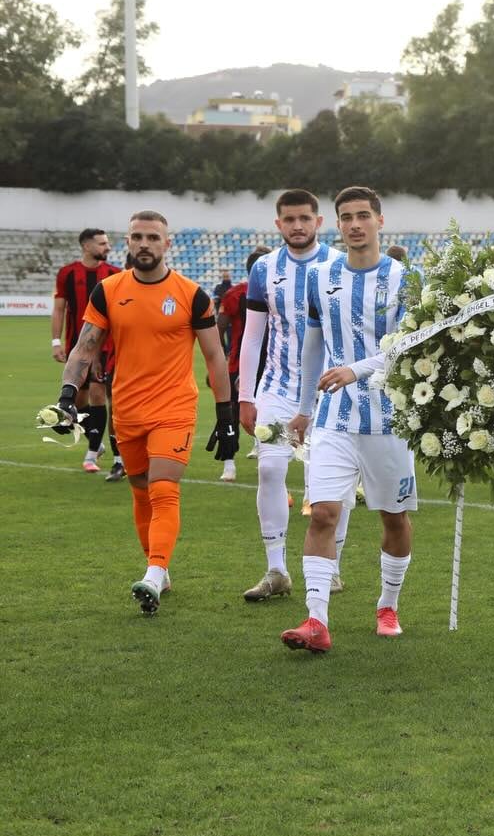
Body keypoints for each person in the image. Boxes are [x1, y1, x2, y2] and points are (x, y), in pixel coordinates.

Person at [48, 210, 236, 614]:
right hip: (127, 408)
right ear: (128, 243)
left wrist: (226, 415)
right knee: (140, 492)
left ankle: (152, 572)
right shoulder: (109, 290)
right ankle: (160, 568)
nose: (145, 244)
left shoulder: (191, 294)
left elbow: (215, 357)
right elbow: (85, 346)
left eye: (153, 237)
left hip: (174, 407)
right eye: (138, 237)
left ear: (167, 244)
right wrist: (67, 395)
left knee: (164, 487)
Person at [280, 187, 420, 653]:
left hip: (390, 419)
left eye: (363, 215)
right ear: (337, 225)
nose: (355, 224)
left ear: (381, 220)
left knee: (394, 519)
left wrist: (356, 370)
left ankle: (388, 604)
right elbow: (312, 345)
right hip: (333, 419)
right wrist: (304, 407)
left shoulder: (406, 280)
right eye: (346, 217)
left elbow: (406, 348)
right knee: (322, 513)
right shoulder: (321, 277)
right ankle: (316, 619)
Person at [237, 190, 348, 603]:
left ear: (319, 222)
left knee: (330, 477)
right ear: (278, 224)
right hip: (279, 388)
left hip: (331, 385)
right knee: (269, 470)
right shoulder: (265, 268)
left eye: (305, 218)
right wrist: (245, 395)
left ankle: (331, 564)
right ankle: (276, 569)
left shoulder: (339, 264)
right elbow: (253, 336)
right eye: (289, 219)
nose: (297, 225)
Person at [52, 228, 123, 479]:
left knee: (99, 394)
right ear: (86, 246)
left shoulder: (115, 275)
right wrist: (55, 341)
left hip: (107, 348)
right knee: (77, 406)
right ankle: (97, 441)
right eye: (102, 243)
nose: (108, 247)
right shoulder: (68, 273)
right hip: (77, 347)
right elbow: (59, 309)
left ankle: (97, 455)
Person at [216, 246, 269, 481]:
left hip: (248, 363)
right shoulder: (237, 294)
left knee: (232, 412)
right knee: (256, 410)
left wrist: (219, 358)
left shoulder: (238, 293)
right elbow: (220, 326)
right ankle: (238, 459)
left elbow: (219, 326)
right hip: (259, 364)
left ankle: (230, 464)